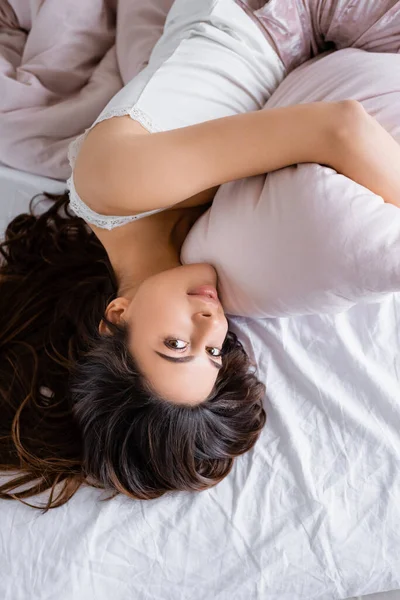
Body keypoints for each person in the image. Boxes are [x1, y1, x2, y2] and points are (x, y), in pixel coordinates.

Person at [1, 0, 400, 511]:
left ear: (115, 316)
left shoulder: (114, 184)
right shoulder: (193, 246)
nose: (211, 324)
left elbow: (340, 129)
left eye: (175, 343)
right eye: (211, 353)